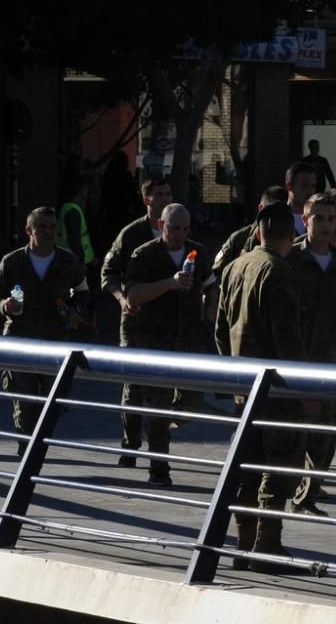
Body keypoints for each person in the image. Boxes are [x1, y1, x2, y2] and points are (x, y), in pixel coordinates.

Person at [215, 201, 309, 572]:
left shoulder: (236, 267)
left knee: (248, 467)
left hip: (244, 386)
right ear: (292, 237)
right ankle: (267, 546)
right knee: (281, 464)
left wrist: (233, 372)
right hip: (276, 389)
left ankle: (242, 544)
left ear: (258, 233)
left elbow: (220, 329)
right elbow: (288, 340)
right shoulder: (279, 273)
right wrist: (301, 390)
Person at [123, 203, 217, 486]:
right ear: (162, 226)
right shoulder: (145, 254)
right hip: (155, 341)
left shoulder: (197, 253)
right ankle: (159, 470)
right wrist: (170, 283)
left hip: (188, 341)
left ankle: (157, 426)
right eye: (174, 228)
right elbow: (134, 295)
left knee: (191, 405)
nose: (179, 234)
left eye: (184, 229)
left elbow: (211, 283)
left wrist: (210, 306)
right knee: (160, 405)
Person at [0, 207, 88, 454]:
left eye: (53, 227)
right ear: (29, 230)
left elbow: (83, 293)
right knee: (25, 400)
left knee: (56, 402)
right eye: (42, 227)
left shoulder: (68, 261)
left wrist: (76, 311)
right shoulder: (12, 262)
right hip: (20, 340)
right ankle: (27, 451)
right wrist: (4, 305)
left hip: (55, 341)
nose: (48, 232)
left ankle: (38, 441)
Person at [286, 194, 336, 516]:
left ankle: (307, 496)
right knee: (292, 430)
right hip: (293, 355)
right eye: (319, 219)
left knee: (327, 430)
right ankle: (281, 490)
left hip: (330, 355)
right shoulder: (290, 259)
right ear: (306, 221)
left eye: (331, 219)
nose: (327, 225)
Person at [101, 176, 173, 467]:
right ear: (147, 200)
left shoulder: (179, 230)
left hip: (169, 325)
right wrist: (121, 299)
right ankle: (131, 444)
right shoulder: (132, 234)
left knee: (165, 389)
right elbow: (108, 272)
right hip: (136, 321)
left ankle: (158, 448)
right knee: (133, 388)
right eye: (159, 194)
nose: (165, 198)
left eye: (168, 193)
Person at [211, 185, 289, 279]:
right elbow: (216, 275)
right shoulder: (239, 239)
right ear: (261, 208)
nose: (278, 216)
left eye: (284, 211)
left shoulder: (292, 237)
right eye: (273, 211)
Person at [56, 172, 98, 325]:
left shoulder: (69, 208)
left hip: (73, 261)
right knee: (83, 297)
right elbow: (75, 240)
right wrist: (81, 261)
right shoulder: (72, 211)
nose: (87, 192)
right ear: (80, 189)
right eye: (86, 188)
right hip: (75, 263)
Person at [100, 150, 141, 243]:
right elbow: (132, 194)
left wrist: (101, 210)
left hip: (111, 209)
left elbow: (104, 193)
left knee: (112, 232)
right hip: (124, 209)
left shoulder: (108, 174)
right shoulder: (126, 175)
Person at [285, 162, 317, 236]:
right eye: (305, 186)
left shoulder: (320, 219)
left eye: (313, 186)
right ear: (289, 186)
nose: (310, 192)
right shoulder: (276, 220)